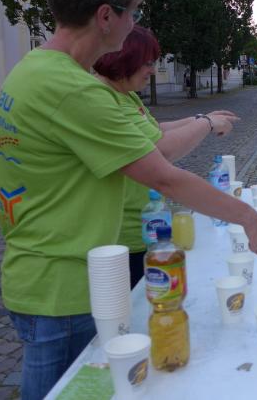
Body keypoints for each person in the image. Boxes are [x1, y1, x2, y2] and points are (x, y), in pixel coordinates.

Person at [0, 0, 257, 400]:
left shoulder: (34, 69)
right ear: (105, 16)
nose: (134, 23)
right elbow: (164, 175)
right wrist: (249, 217)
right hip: (63, 286)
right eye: (132, 11)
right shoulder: (71, 88)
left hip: (42, 273)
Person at [94, 25, 238, 287]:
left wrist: (199, 118)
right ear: (126, 58)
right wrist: (206, 123)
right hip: (125, 236)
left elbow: (155, 130)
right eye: (148, 63)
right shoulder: (103, 98)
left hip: (148, 226)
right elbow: (160, 149)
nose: (152, 70)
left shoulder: (126, 94)